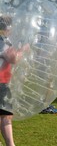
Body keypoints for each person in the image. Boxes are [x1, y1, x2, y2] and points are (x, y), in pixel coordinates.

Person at [0, 16, 29, 146]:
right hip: (1, 82)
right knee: (5, 115)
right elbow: (13, 59)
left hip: (3, 81)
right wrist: (23, 49)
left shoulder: (4, 40)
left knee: (4, 114)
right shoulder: (2, 41)